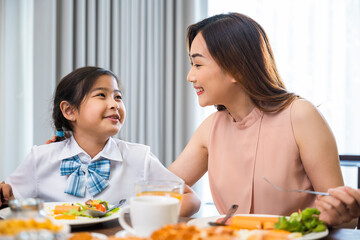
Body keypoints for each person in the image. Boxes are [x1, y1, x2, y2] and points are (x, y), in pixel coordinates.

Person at [168, 12, 344, 217]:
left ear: (236, 68)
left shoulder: (301, 116)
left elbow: (342, 216)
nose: (190, 76)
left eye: (197, 64)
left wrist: (336, 214)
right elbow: (158, 189)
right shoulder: (210, 128)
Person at [0, 66, 200, 217]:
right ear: (69, 111)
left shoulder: (139, 158)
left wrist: (143, 218)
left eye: (118, 97)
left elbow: (190, 199)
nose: (114, 104)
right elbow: (7, 198)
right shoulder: (41, 158)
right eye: (101, 95)